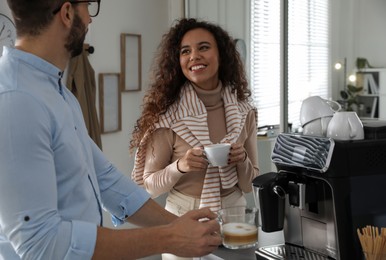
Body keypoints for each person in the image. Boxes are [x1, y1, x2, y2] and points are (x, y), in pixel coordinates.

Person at [0, 1, 222, 259]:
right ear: (68, 13)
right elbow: (41, 244)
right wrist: (170, 238)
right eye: (88, 7)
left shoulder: (58, 94)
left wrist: (179, 226)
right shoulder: (16, 100)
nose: (90, 20)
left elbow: (105, 179)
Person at [130, 18, 259, 259]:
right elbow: (149, 185)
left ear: (221, 54)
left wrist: (242, 161)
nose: (194, 56)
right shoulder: (168, 117)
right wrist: (181, 166)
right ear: (178, 61)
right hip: (181, 217)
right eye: (185, 51)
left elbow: (249, 185)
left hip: (234, 216)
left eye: (204, 47)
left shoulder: (244, 111)